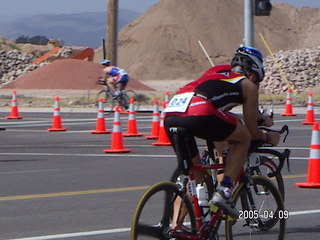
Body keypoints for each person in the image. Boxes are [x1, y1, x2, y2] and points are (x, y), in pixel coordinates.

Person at [164, 46, 280, 218]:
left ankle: (174, 229)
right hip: (200, 111)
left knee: (193, 177)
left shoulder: (217, 71)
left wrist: (259, 118)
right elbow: (252, 128)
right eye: (257, 82)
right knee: (244, 138)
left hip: (172, 112)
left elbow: (220, 104)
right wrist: (268, 136)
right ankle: (224, 191)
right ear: (254, 75)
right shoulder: (249, 85)